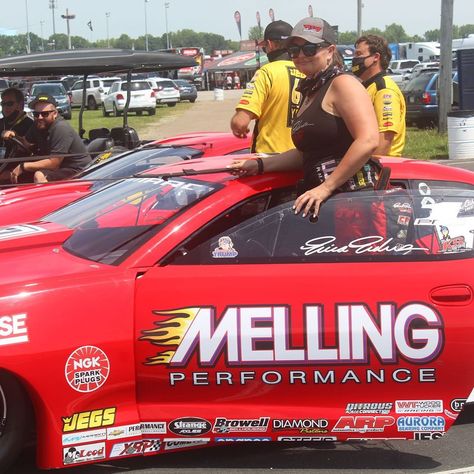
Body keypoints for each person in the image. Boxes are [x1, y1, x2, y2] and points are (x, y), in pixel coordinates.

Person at [230, 17, 379, 219]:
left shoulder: (343, 84)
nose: (300, 55)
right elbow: (304, 154)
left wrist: (326, 187)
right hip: (321, 201)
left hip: (351, 203)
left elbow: (368, 140)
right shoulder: (311, 91)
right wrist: (260, 165)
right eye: (294, 50)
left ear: (330, 51)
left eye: (309, 49)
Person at [230, 20, 306, 153]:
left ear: (270, 45)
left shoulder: (266, 72)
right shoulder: (307, 71)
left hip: (269, 158)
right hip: (300, 157)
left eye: (265, 47)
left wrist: (236, 124)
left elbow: (240, 122)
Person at [5, 94, 91, 183]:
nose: (40, 117)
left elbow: (54, 163)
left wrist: (23, 166)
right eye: (36, 114)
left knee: (39, 176)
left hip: (77, 170)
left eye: (45, 114)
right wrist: (14, 135)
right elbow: (25, 143)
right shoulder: (37, 124)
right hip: (58, 168)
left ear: (55, 114)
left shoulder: (61, 128)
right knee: (8, 174)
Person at [352, 34, 406, 156]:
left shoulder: (384, 89)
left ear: (376, 57)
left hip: (382, 167)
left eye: (359, 54)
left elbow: (386, 137)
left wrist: (371, 169)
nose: (354, 59)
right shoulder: (368, 87)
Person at [0, 87, 34, 181]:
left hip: (19, 168)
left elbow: (31, 149)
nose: (5, 107)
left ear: (20, 105)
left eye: (9, 104)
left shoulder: (30, 125)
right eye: (3, 104)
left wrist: (16, 137)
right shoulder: (1, 123)